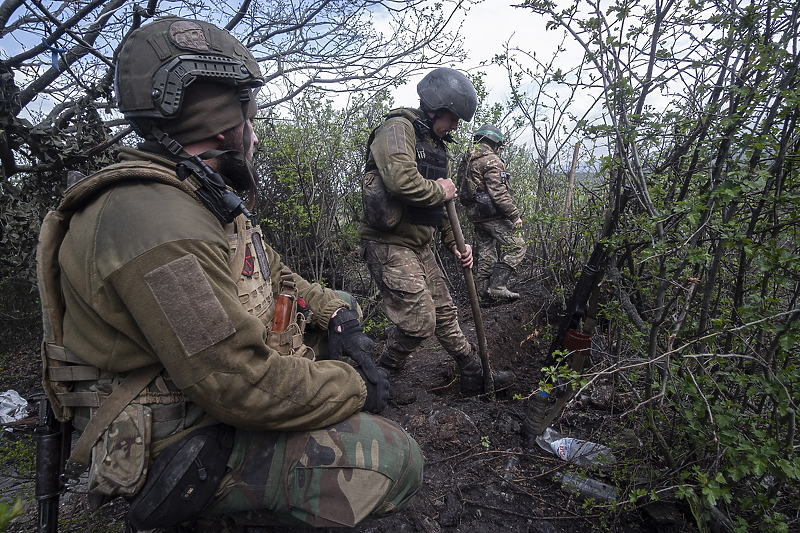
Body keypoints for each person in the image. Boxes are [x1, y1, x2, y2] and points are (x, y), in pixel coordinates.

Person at [36, 17, 421, 531]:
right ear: (226, 124)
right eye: (249, 113)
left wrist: (333, 314)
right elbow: (237, 384)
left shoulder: (194, 193)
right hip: (177, 442)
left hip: (204, 394)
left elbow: (273, 272)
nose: (254, 129)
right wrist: (353, 384)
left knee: (343, 302)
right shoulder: (158, 224)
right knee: (396, 458)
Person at [359, 68, 513, 397]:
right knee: (419, 322)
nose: (455, 126)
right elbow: (401, 180)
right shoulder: (397, 129)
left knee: (445, 311)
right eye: (453, 118)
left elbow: (443, 205)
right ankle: (383, 374)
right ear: (435, 108)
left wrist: (456, 244)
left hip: (418, 244)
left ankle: (473, 371)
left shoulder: (435, 145)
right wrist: (440, 190)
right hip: (389, 244)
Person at [457, 124, 527, 301]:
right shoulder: (491, 160)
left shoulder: (467, 159)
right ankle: (497, 286)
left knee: (487, 253)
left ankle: (484, 296)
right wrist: (514, 215)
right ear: (495, 143)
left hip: (475, 214)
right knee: (518, 246)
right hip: (491, 214)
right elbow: (498, 192)